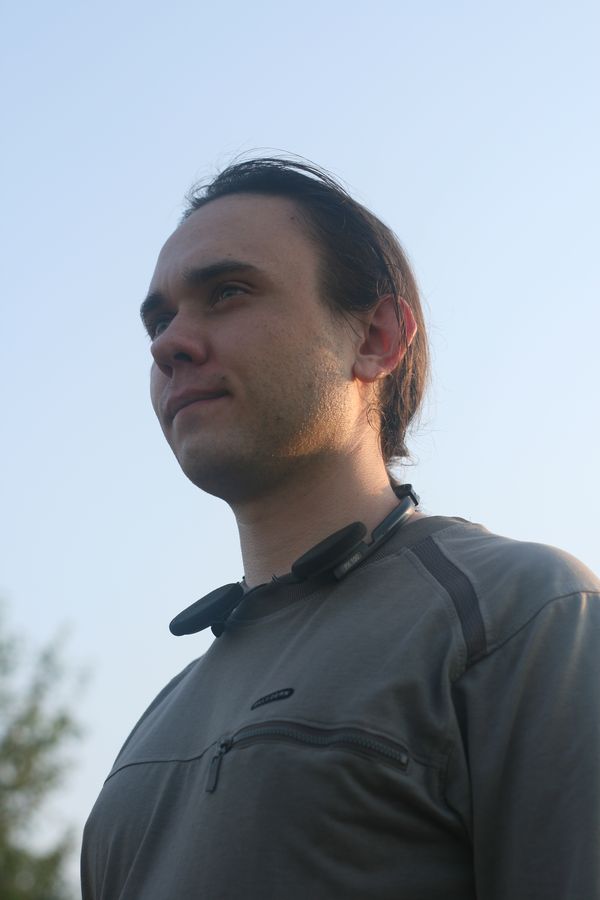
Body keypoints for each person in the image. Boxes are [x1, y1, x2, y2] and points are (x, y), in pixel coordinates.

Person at [81, 158, 600, 900]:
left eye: (228, 292)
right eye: (159, 321)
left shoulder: (520, 614)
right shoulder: (151, 731)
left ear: (377, 337)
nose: (168, 345)